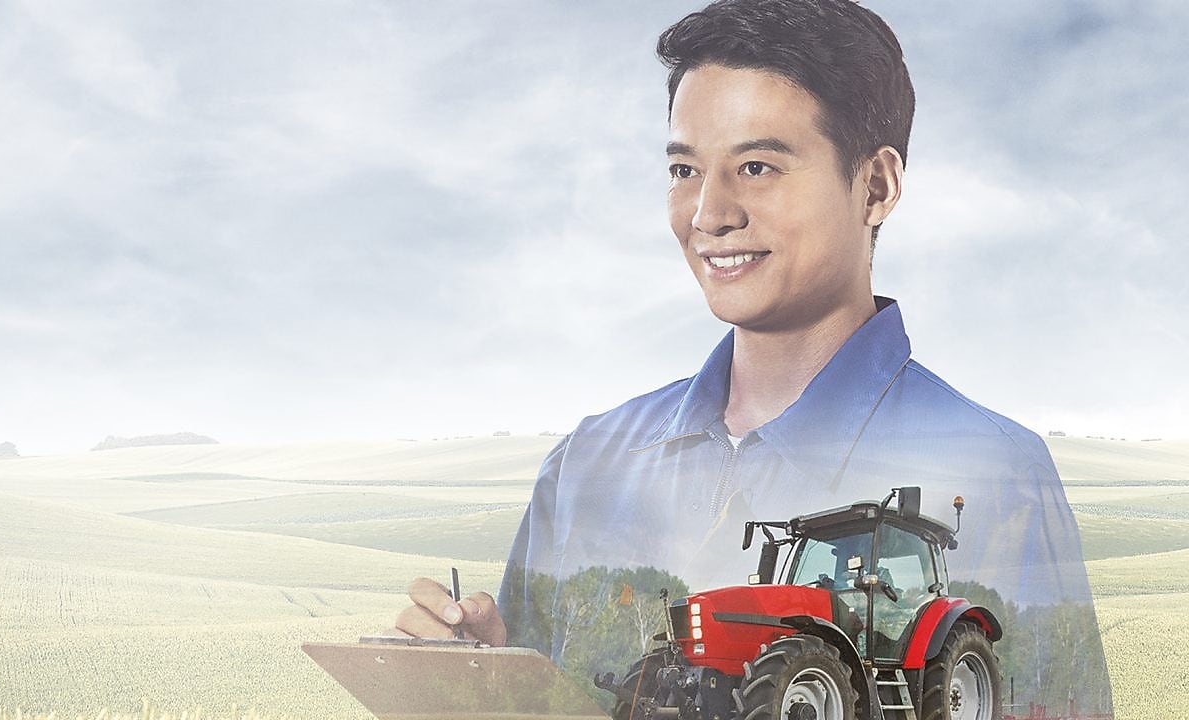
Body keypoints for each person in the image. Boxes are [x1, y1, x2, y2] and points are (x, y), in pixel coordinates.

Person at [397, 0, 1112, 713]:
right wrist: (489, 682)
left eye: (758, 166)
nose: (709, 213)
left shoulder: (997, 475)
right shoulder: (586, 467)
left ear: (875, 187)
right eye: (684, 170)